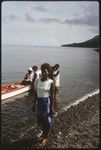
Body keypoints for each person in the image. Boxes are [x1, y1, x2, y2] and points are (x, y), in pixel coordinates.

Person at [33, 63, 55, 147]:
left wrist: (52, 107)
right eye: (43, 71)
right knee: (41, 120)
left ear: (49, 72)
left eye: (46, 71)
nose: (44, 73)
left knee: (47, 121)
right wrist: (33, 104)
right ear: (41, 71)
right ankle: (43, 135)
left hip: (46, 103)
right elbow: (36, 93)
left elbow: (52, 96)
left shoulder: (51, 82)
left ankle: (45, 137)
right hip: (39, 102)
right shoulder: (38, 80)